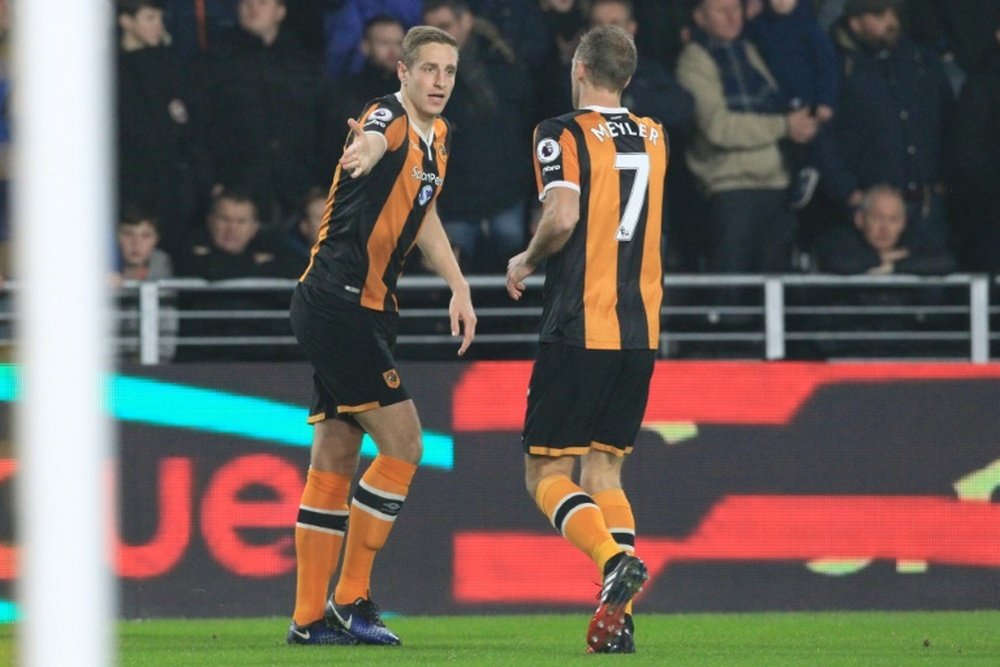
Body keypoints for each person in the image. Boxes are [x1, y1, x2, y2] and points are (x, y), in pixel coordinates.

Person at [286, 26, 476, 646]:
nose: (440, 81)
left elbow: (425, 217)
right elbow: (371, 134)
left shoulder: (439, 137)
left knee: (337, 457)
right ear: (403, 72)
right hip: (338, 303)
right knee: (405, 445)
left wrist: (458, 285)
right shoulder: (388, 117)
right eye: (429, 70)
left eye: (449, 70)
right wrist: (362, 149)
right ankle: (351, 599)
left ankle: (309, 620)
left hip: (360, 308)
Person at [505, 24, 665, 654]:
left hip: (579, 324)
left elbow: (565, 214)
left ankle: (609, 563)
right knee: (606, 472)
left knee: (545, 471)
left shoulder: (561, 132)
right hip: (641, 328)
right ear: (627, 77)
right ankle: (619, 623)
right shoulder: (656, 136)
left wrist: (525, 259)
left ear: (578, 67)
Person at [677, 0, 818, 276]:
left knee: (774, 293)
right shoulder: (695, 60)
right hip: (731, 192)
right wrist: (784, 126)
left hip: (776, 187)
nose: (732, 17)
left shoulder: (749, 49)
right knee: (733, 294)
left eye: (736, 9)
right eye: (721, 11)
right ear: (699, 17)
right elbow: (719, 128)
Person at [813, 0, 953, 250]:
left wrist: (946, 177)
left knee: (932, 280)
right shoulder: (834, 65)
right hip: (864, 215)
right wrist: (847, 190)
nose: (891, 22)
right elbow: (823, 135)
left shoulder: (922, 61)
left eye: (894, 13)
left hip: (926, 208)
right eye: (879, 14)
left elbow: (949, 121)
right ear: (855, 22)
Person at [423, 0, 535, 273]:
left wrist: (532, 196)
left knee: (513, 280)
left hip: (507, 194)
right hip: (454, 201)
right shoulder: (419, 79)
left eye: (445, 26)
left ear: (467, 22)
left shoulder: (504, 63)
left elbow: (528, 128)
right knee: (449, 283)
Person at [809, 184, 956, 358]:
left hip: (902, 349)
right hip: (844, 347)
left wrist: (894, 268)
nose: (884, 228)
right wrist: (883, 258)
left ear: (903, 223)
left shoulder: (913, 241)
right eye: (877, 218)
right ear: (860, 219)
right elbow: (838, 262)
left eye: (893, 219)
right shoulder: (839, 238)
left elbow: (944, 262)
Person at [117, 0, 212, 257]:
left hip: (171, 194)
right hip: (126, 190)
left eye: (159, 18)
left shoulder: (173, 68)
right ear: (126, 21)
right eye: (149, 18)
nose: (158, 26)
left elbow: (190, 129)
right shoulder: (107, 72)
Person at [745, 0, 839, 210]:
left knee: (814, 140)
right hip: (774, 100)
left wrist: (825, 100)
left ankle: (809, 170)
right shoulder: (760, 24)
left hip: (805, 97)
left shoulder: (808, 27)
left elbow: (827, 65)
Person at [110, 209, 179, 363]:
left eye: (145, 236)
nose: (136, 243)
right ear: (115, 237)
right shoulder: (93, 269)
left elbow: (167, 336)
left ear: (156, 239)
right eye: (128, 234)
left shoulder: (164, 273)